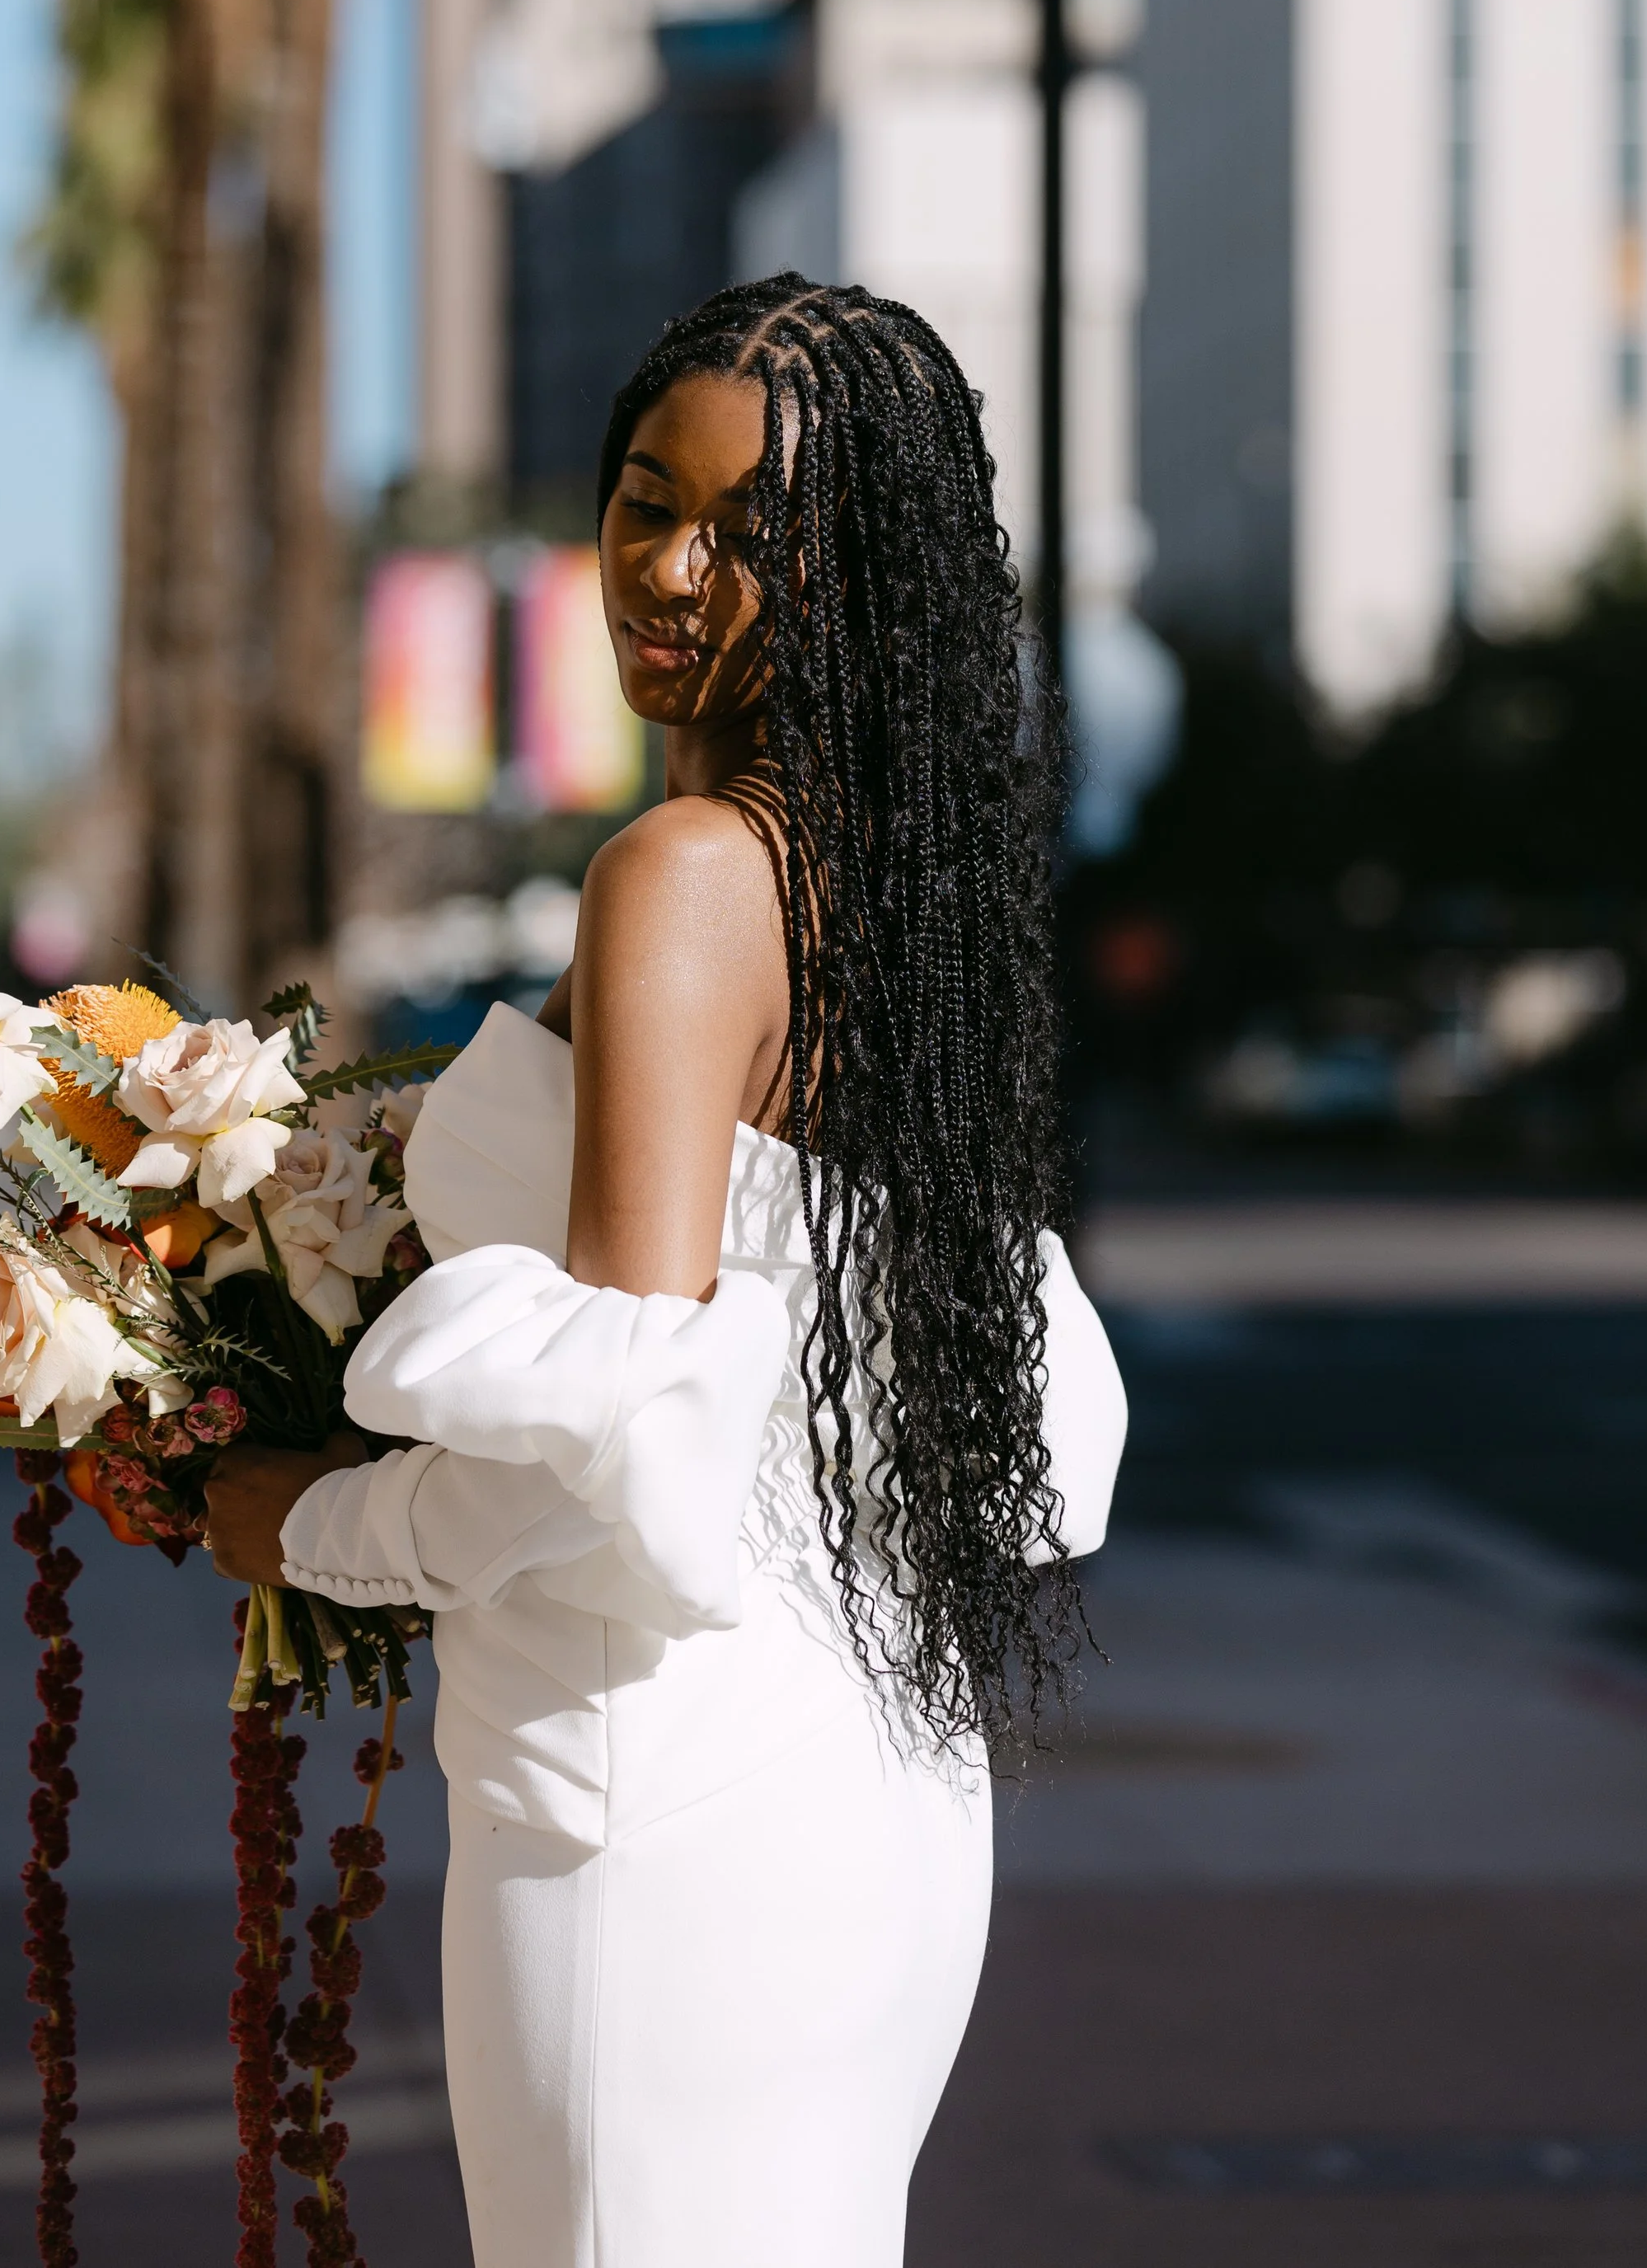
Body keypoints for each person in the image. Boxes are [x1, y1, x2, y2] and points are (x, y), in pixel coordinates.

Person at [205, 275, 1126, 2268]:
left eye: (752, 532)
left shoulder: (687, 881)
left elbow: (615, 1437)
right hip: (858, 1778)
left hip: (655, 1805)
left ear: (862, 573)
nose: (672, 571)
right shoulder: (874, 894)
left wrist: (305, 1523)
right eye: (643, 500)